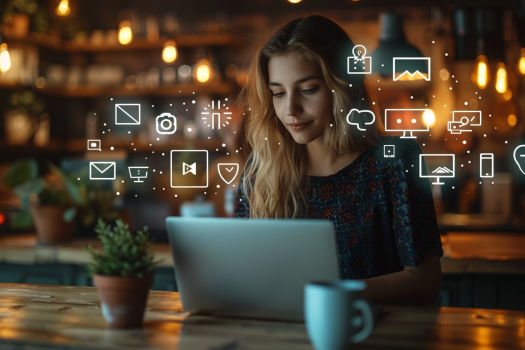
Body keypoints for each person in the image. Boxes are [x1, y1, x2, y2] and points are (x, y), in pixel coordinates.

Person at [234, 15, 444, 305]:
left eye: (308, 90)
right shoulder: (261, 169)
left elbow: (425, 281)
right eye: (278, 93)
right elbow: (244, 269)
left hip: (376, 334)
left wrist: (330, 295)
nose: (290, 109)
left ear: (343, 86)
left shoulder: (394, 160)